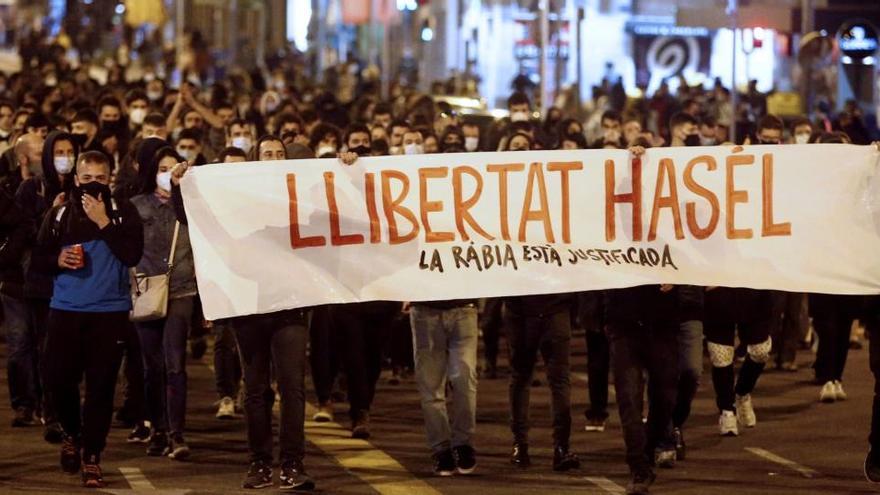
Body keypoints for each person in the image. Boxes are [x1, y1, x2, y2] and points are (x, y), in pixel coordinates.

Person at [171, 136, 315, 491]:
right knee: (254, 389)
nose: (274, 159)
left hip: (290, 305)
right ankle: (260, 464)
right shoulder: (235, 196)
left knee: (293, 388)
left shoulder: (301, 194)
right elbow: (192, 215)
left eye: (280, 154)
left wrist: (347, 166)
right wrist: (180, 186)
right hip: (248, 305)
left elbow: (337, 203)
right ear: (255, 159)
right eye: (267, 154)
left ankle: (293, 465)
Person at [35, 150, 144, 488]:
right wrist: (58, 259)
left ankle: (92, 456)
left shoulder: (124, 212)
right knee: (56, 380)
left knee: (100, 388)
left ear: (110, 178)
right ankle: (72, 433)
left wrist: (104, 223)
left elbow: (131, 255)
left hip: (109, 313)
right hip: (65, 310)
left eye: (100, 178)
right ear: (76, 179)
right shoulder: (60, 213)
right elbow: (38, 259)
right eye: (87, 179)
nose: (93, 185)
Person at [131, 146, 197, 460]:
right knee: (151, 366)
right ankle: (157, 428)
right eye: (162, 167)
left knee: (175, 364)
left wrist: (183, 190)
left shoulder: (191, 205)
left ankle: (177, 434)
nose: (168, 173)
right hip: (146, 290)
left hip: (181, 289)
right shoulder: (136, 205)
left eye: (174, 167)